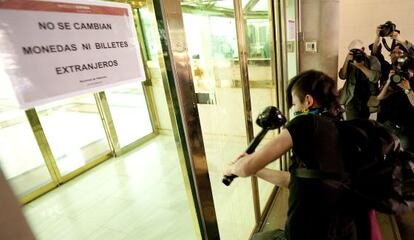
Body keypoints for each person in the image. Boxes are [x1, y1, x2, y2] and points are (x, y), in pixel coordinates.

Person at [224, 70, 374, 240]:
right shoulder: (341, 127)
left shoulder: (305, 122)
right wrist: (257, 170)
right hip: (343, 230)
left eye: (295, 103)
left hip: (307, 232)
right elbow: (296, 179)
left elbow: (244, 168)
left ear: (308, 101)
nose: (294, 109)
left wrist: (233, 168)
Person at [376, 57, 414, 153]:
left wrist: (407, 89)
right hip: (392, 124)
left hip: (407, 130)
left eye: (409, 72)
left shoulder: (407, 85)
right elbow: (380, 97)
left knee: (405, 156)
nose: (407, 74)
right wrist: (389, 81)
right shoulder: (401, 81)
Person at [339, 40, 381, 120]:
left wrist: (361, 66)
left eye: (357, 51)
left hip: (368, 97)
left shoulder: (373, 60)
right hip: (352, 97)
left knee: (365, 124)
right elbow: (342, 76)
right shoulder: (350, 61)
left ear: (363, 49)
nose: (356, 54)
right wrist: (346, 61)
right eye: (352, 52)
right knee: (352, 124)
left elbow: (375, 78)